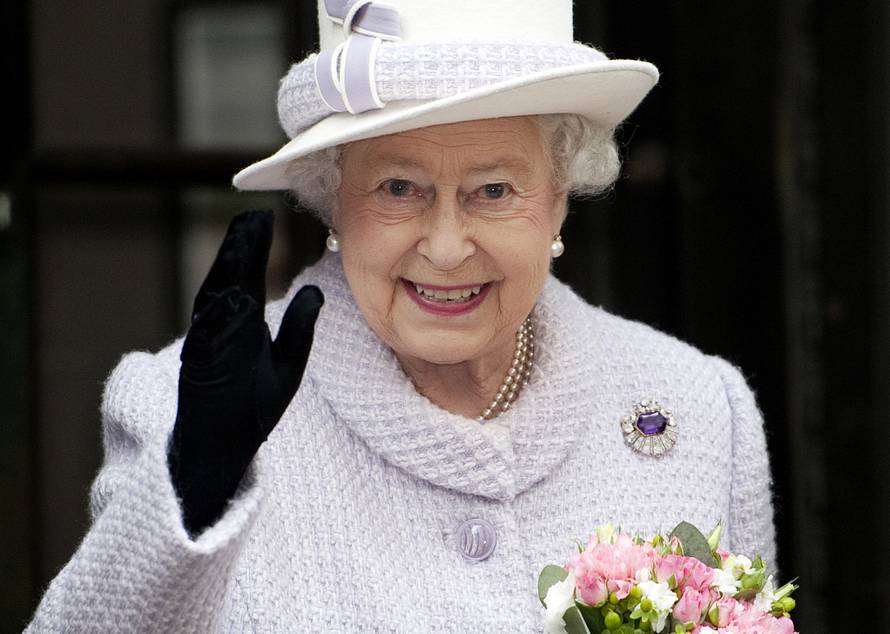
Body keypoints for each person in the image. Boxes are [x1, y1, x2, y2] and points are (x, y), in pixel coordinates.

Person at [27, 0, 776, 631]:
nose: (447, 248)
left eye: (492, 190)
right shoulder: (180, 412)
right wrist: (195, 488)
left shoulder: (696, 408)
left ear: (559, 195)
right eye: (397, 188)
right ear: (332, 198)